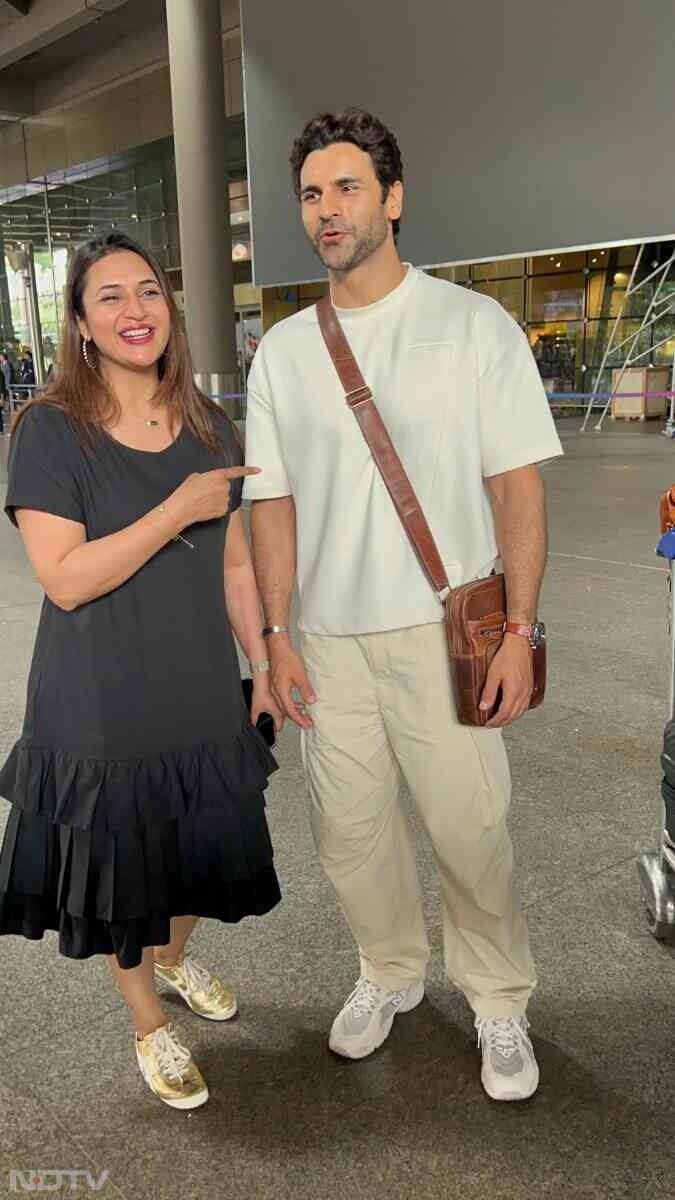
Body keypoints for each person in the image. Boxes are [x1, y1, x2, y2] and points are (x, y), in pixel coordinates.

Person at [244, 108, 563, 1102]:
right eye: (310, 194)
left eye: (347, 187)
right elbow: (273, 507)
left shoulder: (473, 326)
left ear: (393, 198)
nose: (328, 209)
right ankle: (388, 973)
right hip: (326, 644)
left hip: (442, 633)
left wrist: (519, 630)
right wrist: (275, 638)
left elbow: (518, 491)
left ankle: (498, 996)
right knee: (350, 834)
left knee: (473, 827)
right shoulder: (285, 353)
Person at [0, 231, 283, 1110]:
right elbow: (66, 578)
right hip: (100, 694)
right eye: (110, 296)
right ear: (80, 324)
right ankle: (147, 1026)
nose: (135, 310)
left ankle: (173, 959)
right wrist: (176, 509)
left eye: (149, 292)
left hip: (198, 681)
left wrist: (265, 660)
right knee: (123, 870)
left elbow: (234, 562)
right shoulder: (49, 431)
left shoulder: (209, 424)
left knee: (196, 848)